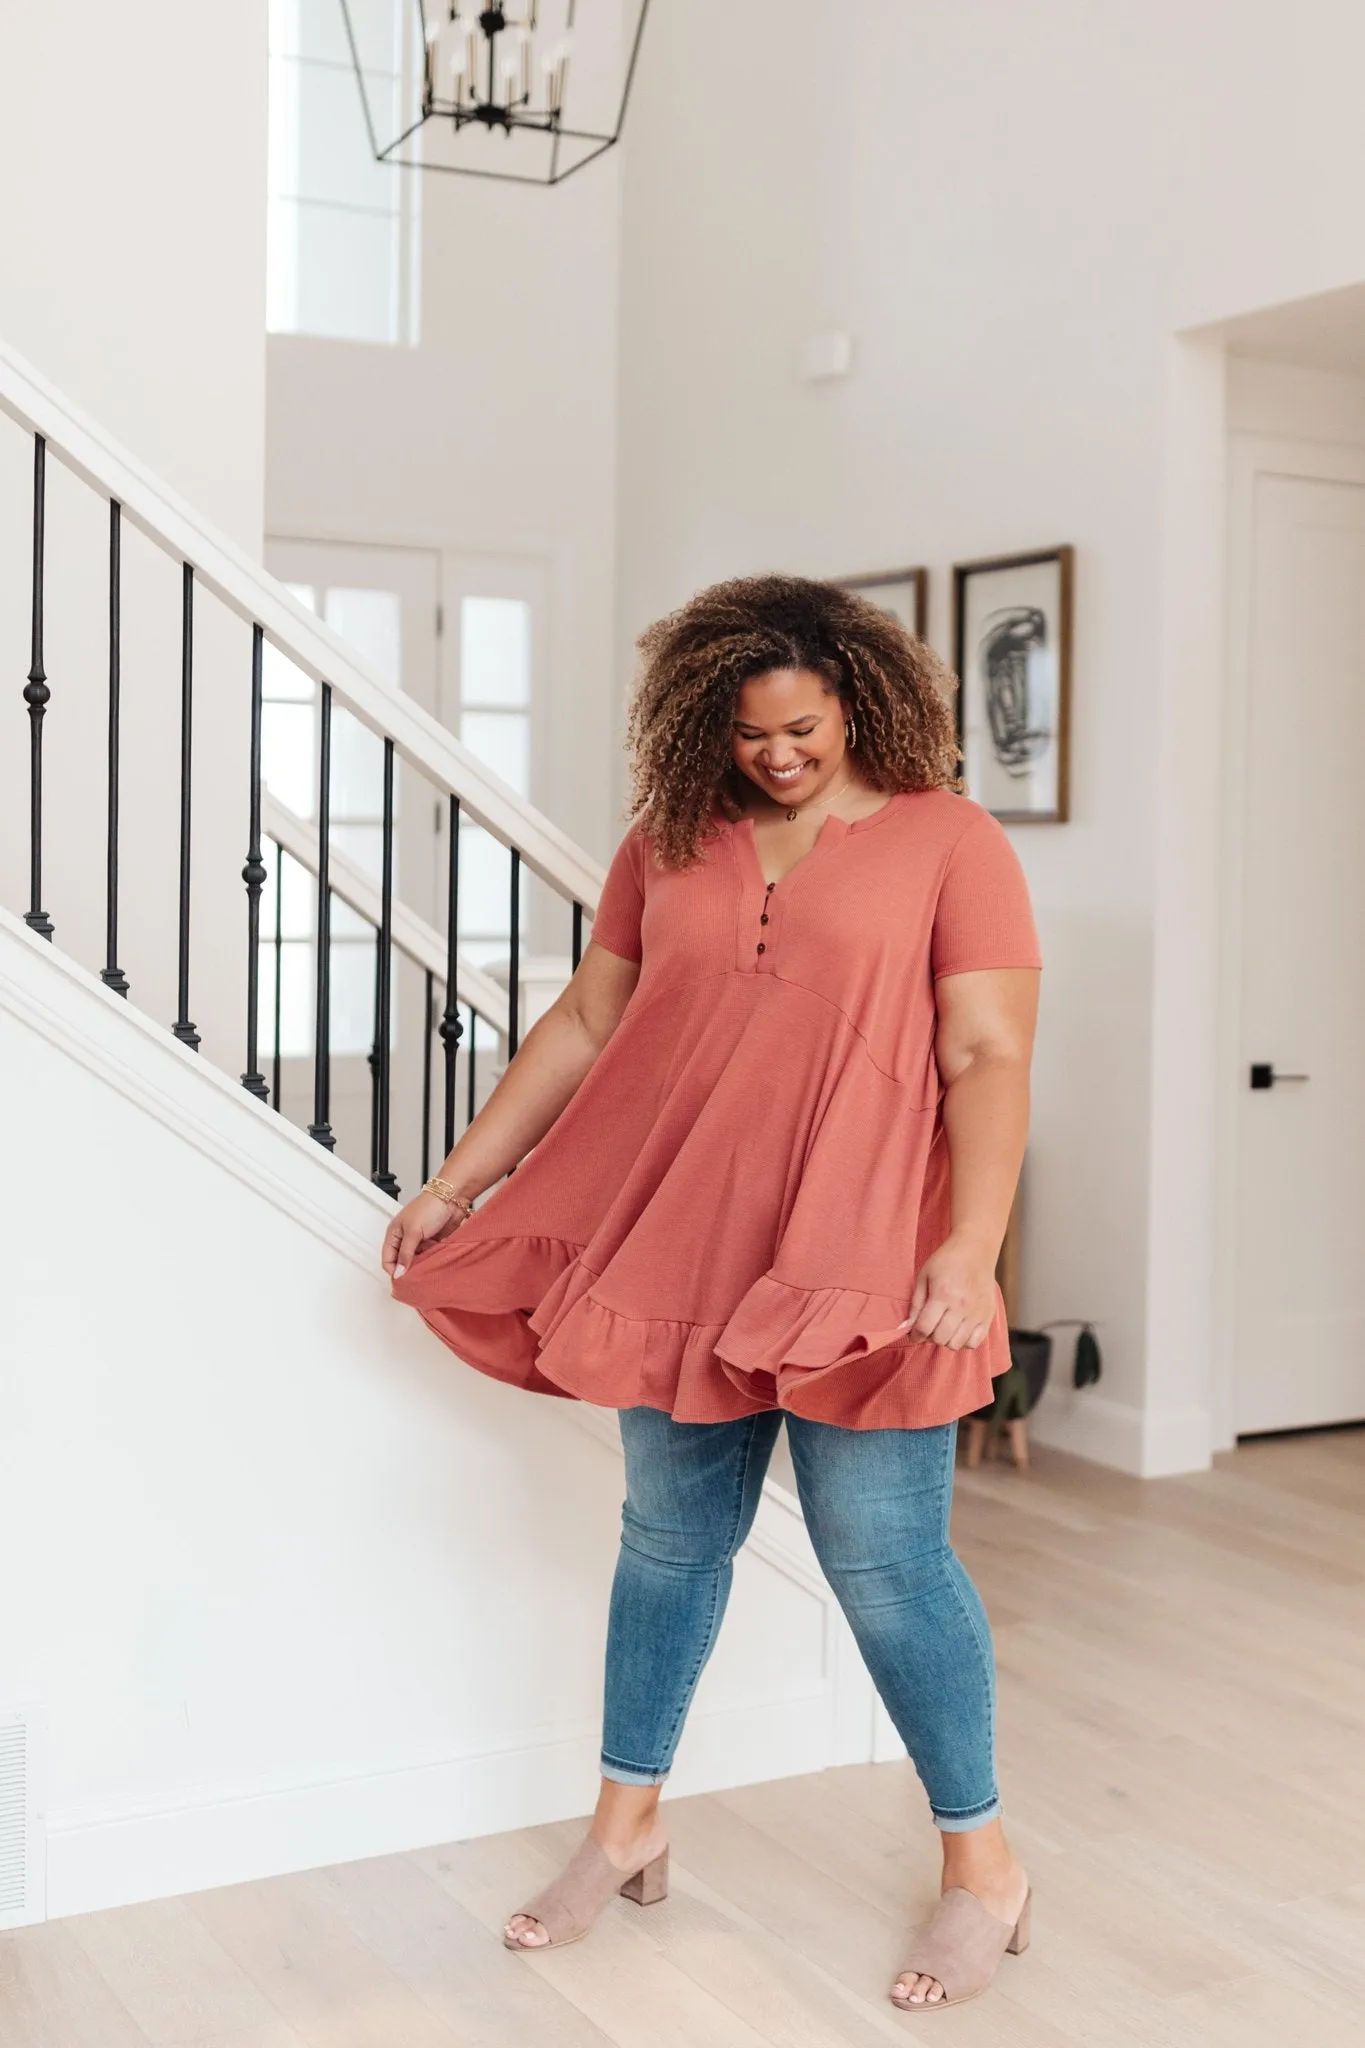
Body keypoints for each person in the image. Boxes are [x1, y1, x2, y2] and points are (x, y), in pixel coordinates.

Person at [383, 573, 1042, 2011]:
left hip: (864, 1256)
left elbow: (987, 1054)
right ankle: (626, 1832)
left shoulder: (951, 842)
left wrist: (970, 1242)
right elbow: (590, 1018)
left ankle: (982, 1868)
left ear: (861, 702)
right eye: (749, 735)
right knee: (669, 1546)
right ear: (708, 725)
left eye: (802, 728)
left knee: (888, 1566)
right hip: (678, 1245)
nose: (779, 756)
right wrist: (459, 1179)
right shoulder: (671, 839)